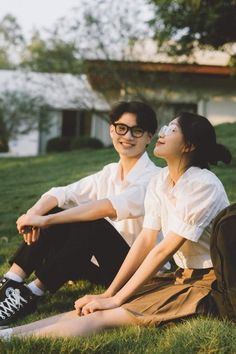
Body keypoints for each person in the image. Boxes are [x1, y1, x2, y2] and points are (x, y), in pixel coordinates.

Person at [0, 111, 231, 339]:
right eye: (166, 126)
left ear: (188, 146)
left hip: (208, 284)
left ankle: (22, 311)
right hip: (181, 275)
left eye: (172, 129)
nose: (164, 132)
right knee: (88, 309)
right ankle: (8, 332)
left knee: (105, 316)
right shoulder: (161, 181)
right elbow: (146, 239)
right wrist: (110, 294)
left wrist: (116, 298)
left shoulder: (202, 185)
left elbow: (163, 248)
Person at [0, 100, 161, 326]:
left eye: (137, 130)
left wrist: (45, 220)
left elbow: (107, 207)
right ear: (111, 129)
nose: (128, 136)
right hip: (98, 263)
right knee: (58, 209)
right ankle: (11, 282)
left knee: (91, 222)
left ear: (148, 137)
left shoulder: (155, 178)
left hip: (135, 271)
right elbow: (62, 193)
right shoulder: (109, 173)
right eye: (122, 128)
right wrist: (34, 213)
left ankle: (31, 294)